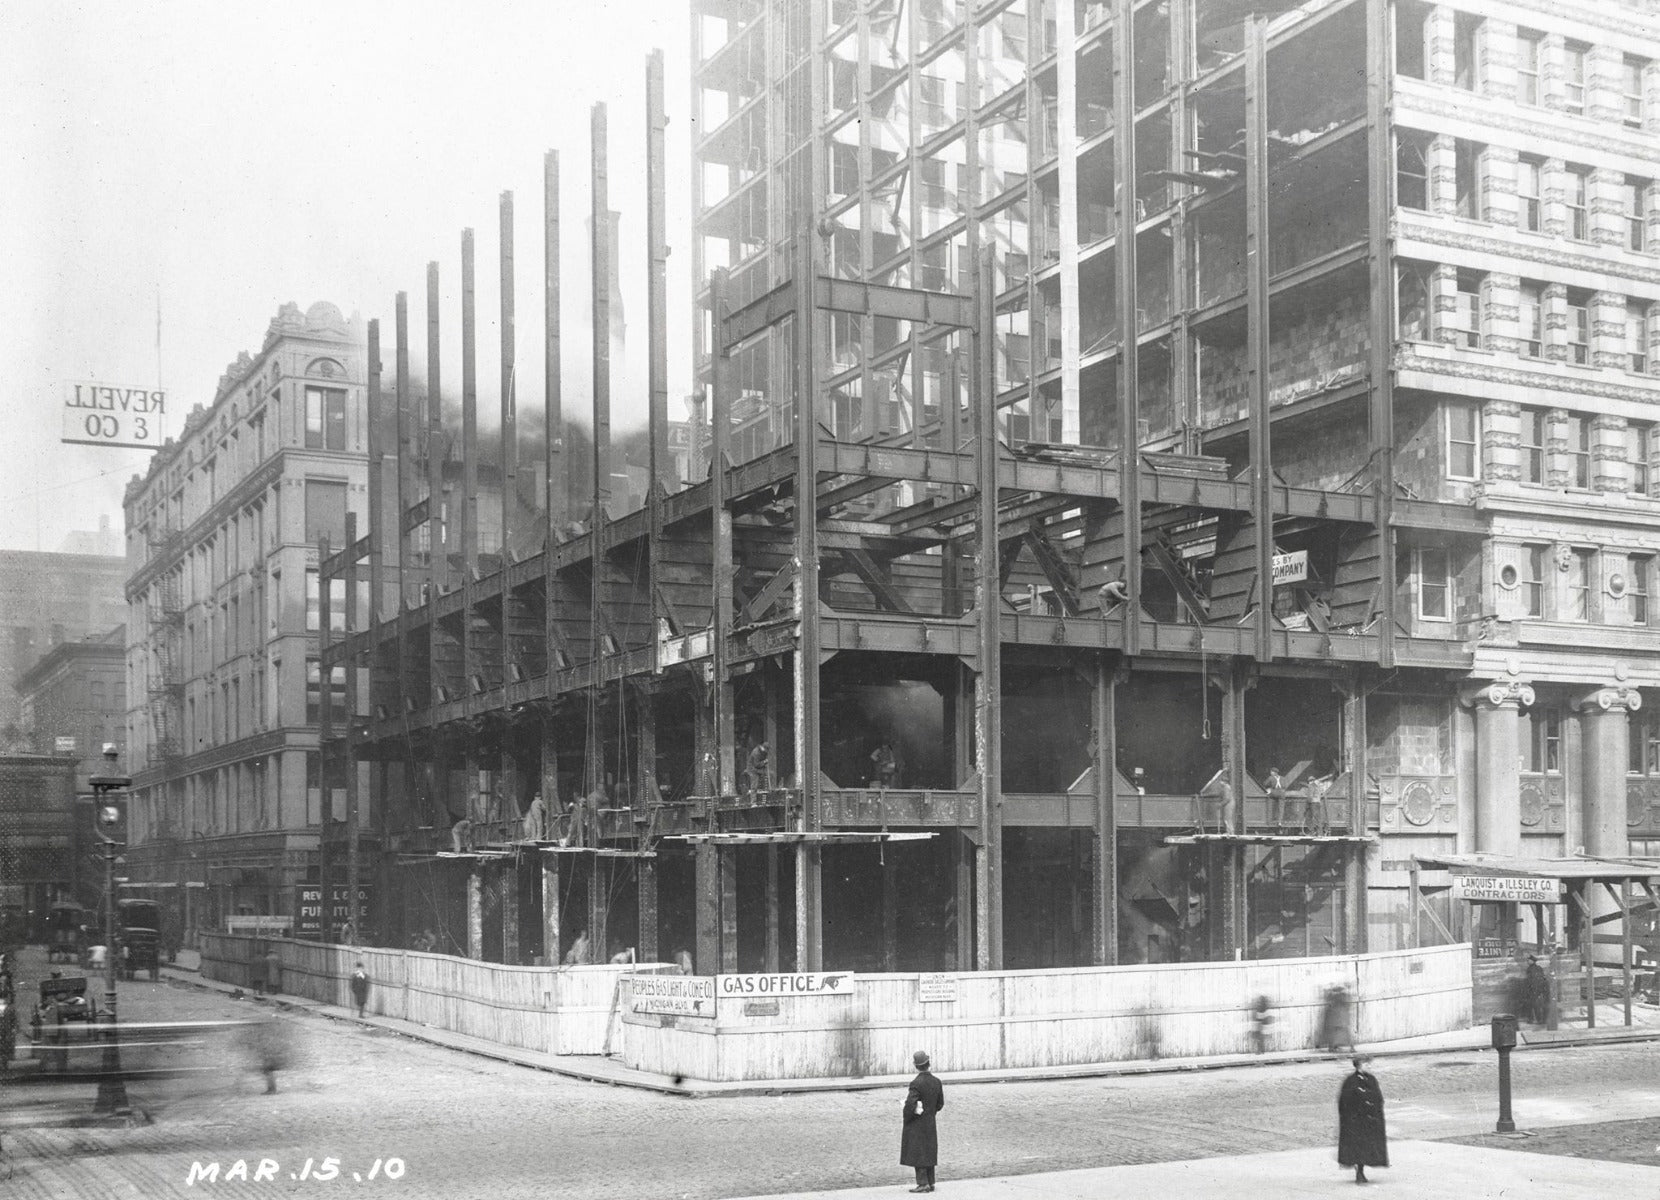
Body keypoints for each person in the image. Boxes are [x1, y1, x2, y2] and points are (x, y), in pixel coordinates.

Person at [1337, 1056, 1388, 1184]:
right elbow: (1344, 1102)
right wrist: (1350, 1119)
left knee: (1367, 1147)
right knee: (1358, 1148)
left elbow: (1378, 1097)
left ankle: (1362, 1169)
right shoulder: (1350, 1081)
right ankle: (1359, 1172)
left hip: (1370, 1121)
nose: (1369, 1066)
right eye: (1366, 1064)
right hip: (1356, 1122)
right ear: (1359, 1065)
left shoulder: (1371, 1079)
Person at [900, 1049, 944, 1193]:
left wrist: (907, 1117)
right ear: (928, 1063)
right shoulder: (937, 1082)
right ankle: (931, 1182)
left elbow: (910, 1105)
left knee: (918, 1152)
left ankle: (923, 1183)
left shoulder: (916, 1083)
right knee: (929, 1151)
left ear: (916, 1065)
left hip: (917, 1123)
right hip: (930, 1122)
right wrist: (930, 1113)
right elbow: (940, 1104)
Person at [1318, 984, 1355, 1054]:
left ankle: (1333, 1047)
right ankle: (1348, 1047)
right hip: (1340, 1018)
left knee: (1336, 1033)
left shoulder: (1334, 996)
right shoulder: (1342, 996)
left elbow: (1329, 1002)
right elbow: (1347, 1004)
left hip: (1337, 1018)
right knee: (1343, 1033)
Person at [1524, 955, 1550, 1024]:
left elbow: (1530, 980)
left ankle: (1532, 1020)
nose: (1527, 961)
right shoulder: (1539, 968)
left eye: (1528, 960)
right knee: (1537, 1005)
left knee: (1532, 1005)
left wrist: (1529, 989)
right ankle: (1539, 1020)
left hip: (1533, 989)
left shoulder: (1529, 969)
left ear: (1532, 961)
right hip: (1539, 990)